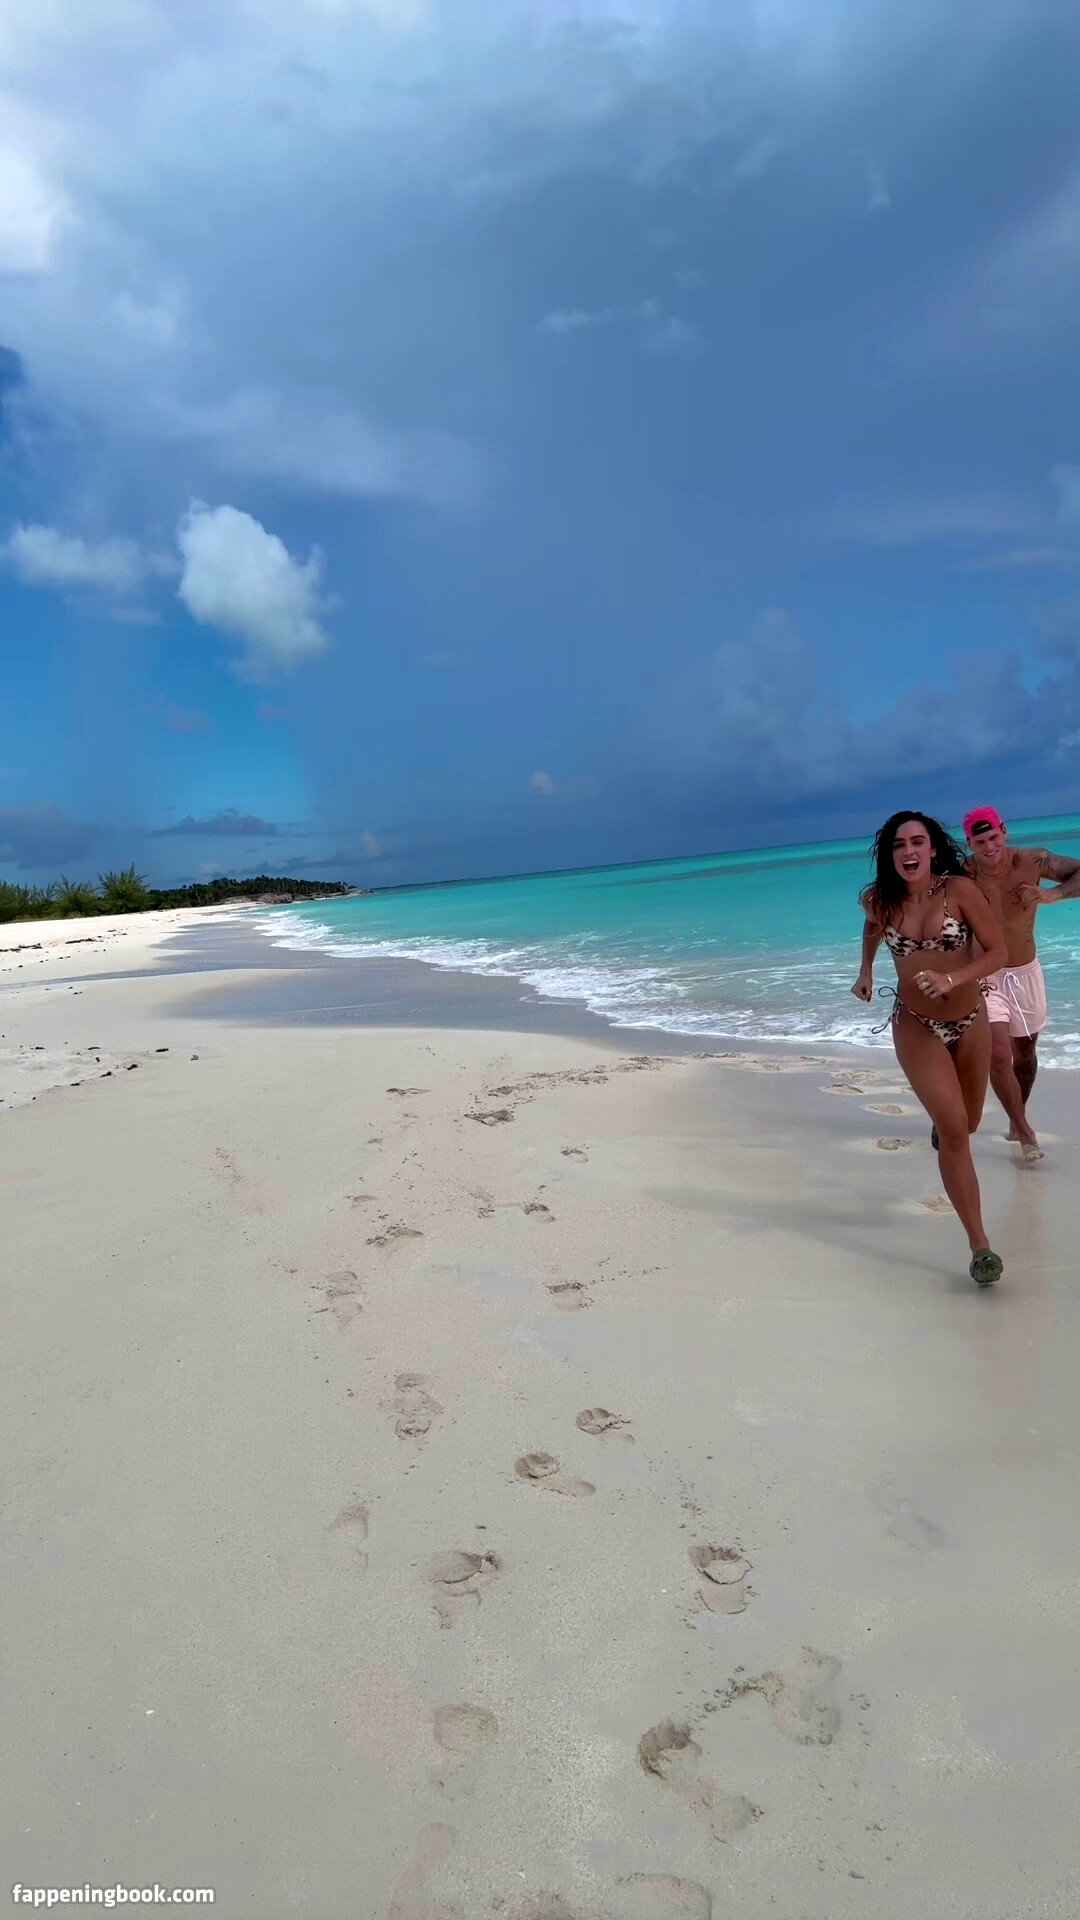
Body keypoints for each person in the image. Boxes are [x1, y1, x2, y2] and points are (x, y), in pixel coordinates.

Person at [852, 810, 1007, 1288]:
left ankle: (947, 1127)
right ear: (890, 855)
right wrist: (865, 971)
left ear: (933, 848)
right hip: (915, 1023)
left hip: (970, 1018)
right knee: (956, 1129)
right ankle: (980, 1247)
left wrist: (953, 979)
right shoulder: (879, 899)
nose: (908, 852)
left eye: (917, 842)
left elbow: (998, 952)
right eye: (899, 845)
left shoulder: (959, 891)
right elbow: (873, 927)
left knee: (969, 1122)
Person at [962, 805, 1080, 1162]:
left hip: (1025, 972)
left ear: (1004, 831)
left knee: (1025, 1054)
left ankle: (1017, 1115)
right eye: (979, 842)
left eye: (993, 837)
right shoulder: (963, 875)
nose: (989, 847)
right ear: (969, 844)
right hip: (984, 974)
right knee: (999, 1054)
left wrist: (1051, 895)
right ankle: (1024, 1129)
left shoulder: (1033, 861)